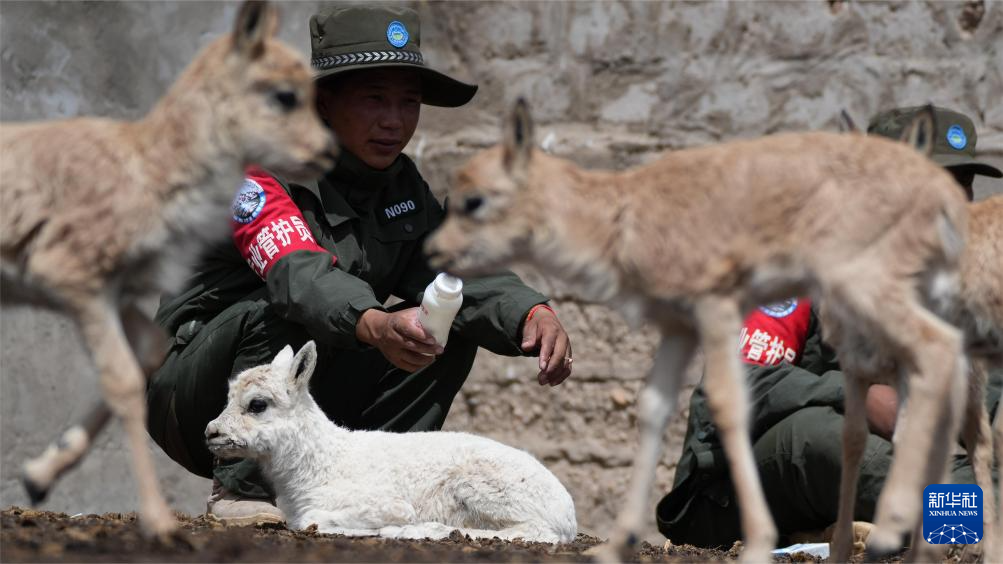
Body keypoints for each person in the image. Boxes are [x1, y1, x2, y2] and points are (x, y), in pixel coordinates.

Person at [145, 5, 574, 526]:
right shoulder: (258, 171)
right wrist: (375, 324)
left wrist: (530, 312)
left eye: (408, 102)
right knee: (281, 314)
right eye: (374, 99)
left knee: (441, 326)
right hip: (196, 395)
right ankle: (239, 493)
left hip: (303, 414)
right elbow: (298, 277)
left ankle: (386, 496)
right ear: (324, 101)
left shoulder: (401, 186)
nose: (393, 121)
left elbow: (452, 269)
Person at [655, 106, 1003, 549]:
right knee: (823, 437)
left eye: (962, 187)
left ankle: (926, 527)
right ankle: (957, 528)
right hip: (729, 492)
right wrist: (859, 396)